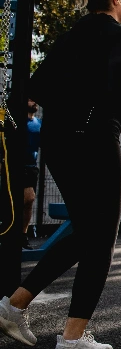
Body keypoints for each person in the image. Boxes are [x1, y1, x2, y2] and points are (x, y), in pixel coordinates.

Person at [0, 0, 121, 349]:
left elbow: (34, 88)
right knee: (100, 240)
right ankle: (71, 338)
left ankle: (14, 305)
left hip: (59, 144)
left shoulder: (72, 36)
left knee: (85, 232)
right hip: (93, 143)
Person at [22, 99, 41, 249]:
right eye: (30, 99)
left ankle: (23, 235)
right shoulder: (15, 122)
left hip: (32, 167)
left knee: (28, 203)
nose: (34, 102)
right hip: (17, 166)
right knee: (27, 198)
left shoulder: (38, 123)